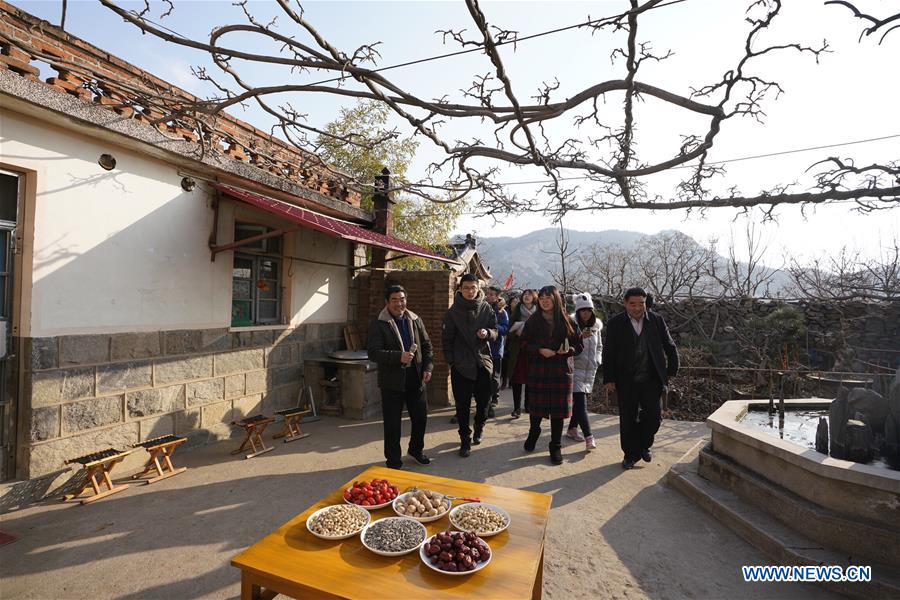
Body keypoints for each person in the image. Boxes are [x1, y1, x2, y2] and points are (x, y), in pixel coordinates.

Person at [602, 287, 679, 470]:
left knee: (653, 416)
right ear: (625, 304)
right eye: (633, 304)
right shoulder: (616, 323)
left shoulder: (656, 321)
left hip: (651, 378)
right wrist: (609, 378)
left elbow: (670, 346)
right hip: (625, 379)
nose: (637, 308)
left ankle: (644, 444)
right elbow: (609, 352)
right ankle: (630, 455)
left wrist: (671, 371)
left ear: (646, 303)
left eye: (641, 303)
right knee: (628, 419)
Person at [367, 284, 434, 469]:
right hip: (392, 381)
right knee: (392, 424)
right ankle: (393, 460)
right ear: (387, 302)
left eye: (402, 299)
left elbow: (427, 345)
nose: (399, 304)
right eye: (394, 300)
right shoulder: (379, 323)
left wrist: (427, 367)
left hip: (415, 377)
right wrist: (398, 357)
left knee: (420, 418)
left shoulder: (415, 319)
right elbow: (373, 352)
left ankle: (416, 450)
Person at [521, 285, 583, 465]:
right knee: (536, 408)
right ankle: (534, 432)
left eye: (548, 297)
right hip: (539, 369)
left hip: (561, 371)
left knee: (558, 411)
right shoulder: (533, 321)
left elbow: (579, 345)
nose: (545, 301)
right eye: (541, 298)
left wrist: (568, 350)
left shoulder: (567, 321)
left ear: (556, 299)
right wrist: (539, 349)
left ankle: (555, 446)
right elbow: (524, 343)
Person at [443, 273, 498, 457]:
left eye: (473, 287)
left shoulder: (486, 309)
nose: (469, 291)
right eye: (466, 288)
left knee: (484, 403)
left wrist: (488, 333)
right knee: (462, 406)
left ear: (478, 289)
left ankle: (479, 427)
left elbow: (496, 332)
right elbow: (447, 339)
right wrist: (452, 361)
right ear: (460, 289)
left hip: (482, 362)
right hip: (461, 365)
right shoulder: (452, 312)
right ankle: (464, 439)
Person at [567, 292, 602, 451]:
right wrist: (580, 336)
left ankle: (572, 429)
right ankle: (589, 436)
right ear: (578, 311)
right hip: (575, 368)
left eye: (588, 310)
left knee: (579, 403)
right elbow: (567, 345)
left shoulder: (596, 327)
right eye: (582, 310)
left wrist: (598, 359)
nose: (586, 313)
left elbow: (599, 346)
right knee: (581, 404)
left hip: (590, 370)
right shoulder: (571, 325)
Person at [507, 289, 537, 418]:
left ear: (534, 297)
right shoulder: (517, 311)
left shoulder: (539, 312)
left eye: (529, 294)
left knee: (531, 380)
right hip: (518, 351)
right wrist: (516, 333)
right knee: (517, 380)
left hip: (532, 351)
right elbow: (509, 330)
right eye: (525, 294)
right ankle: (516, 408)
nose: (526, 296)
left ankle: (528, 405)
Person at [485, 285, 509, 418]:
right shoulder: (482, 308)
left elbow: (505, 329)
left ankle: (494, 396)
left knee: (495, 376)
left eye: (492, 294)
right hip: (483, 348)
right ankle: (486, 400)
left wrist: (493, 328)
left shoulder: (502, 312)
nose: (489, 296)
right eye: (487, 294)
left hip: (495, 348)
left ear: (497, 296)